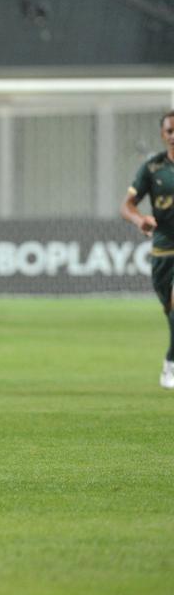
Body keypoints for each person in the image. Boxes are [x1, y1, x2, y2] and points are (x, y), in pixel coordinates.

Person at [121, 109, 174, 390]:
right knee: (171, 311)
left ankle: (171, 366)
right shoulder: (152, 168)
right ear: (163, 134)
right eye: (170, 131)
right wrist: (140, 219)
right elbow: (126, 206)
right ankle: (170, 362)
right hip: (164, 252)